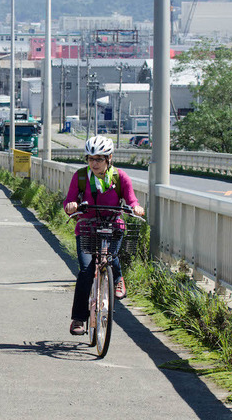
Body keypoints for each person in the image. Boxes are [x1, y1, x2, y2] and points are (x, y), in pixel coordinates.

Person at [63, 136, 145, 335]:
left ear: (109, 158)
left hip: (113, 225)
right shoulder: (81, 176)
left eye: (99, 159)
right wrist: (71, 206)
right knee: (85, 271)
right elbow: (69, 201)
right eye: (90, 159)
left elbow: (132, 199)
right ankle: (78, 319)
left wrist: (136, 208)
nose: (94, 163)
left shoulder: (120, 177)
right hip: (87, 227)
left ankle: (117, 278)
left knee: (111, 256)